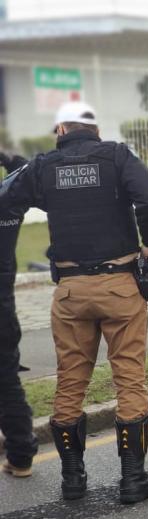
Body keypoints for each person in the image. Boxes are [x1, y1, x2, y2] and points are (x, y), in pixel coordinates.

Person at [0, 101, 148, 503]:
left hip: (71, 292)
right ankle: (133, 480)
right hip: (119, 287)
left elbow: (6, 197)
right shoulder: (117, 156)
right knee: (129, 378)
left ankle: (72, 480)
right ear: (95, 128)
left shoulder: (43, 166)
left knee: (70, 381)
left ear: (61, 129)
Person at [0, 153, 38, 479]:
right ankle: (21, 457)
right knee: (7, 383)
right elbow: (28, 168)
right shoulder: (8, 201)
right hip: (2, 310)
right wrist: (5, 156)